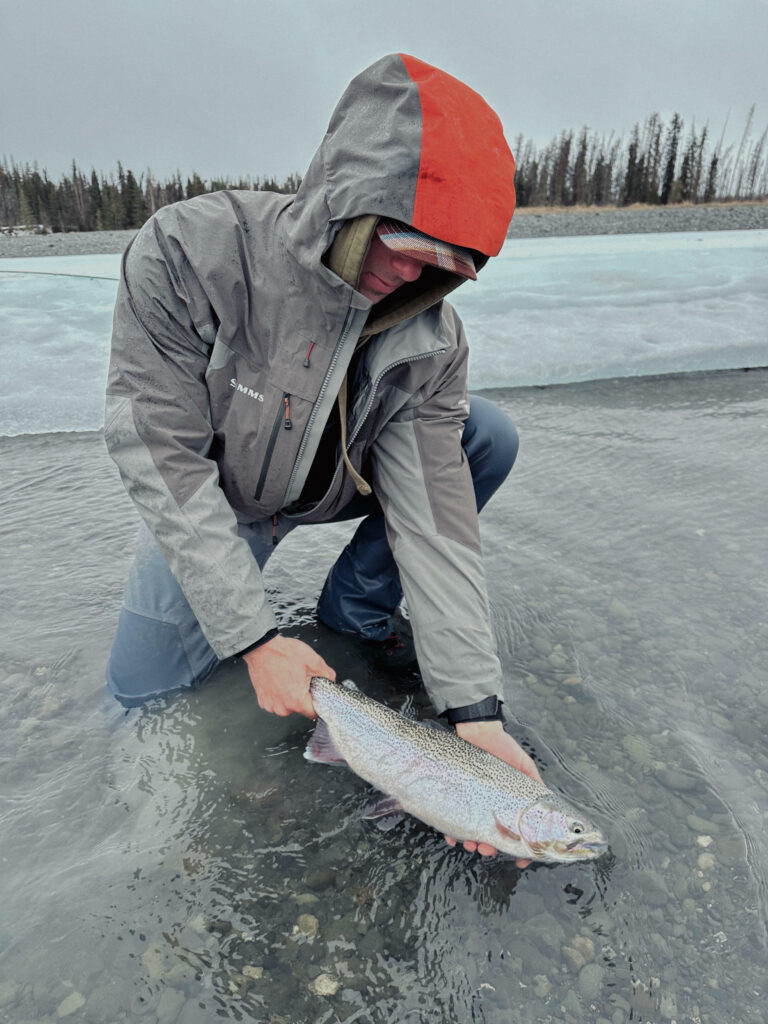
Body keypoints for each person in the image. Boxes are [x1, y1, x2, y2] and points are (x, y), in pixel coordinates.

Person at [104, 53, 542, 860]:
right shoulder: (187, 252)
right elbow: (158, 453)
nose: (412, 275)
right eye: (405, 243)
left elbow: (436, 518)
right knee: (140, 697)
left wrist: (473, 710)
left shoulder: (431, 341)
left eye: (445, 267)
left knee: (485, 435)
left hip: (338, 480)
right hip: (220, 497)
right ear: (348, 193)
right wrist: (254, 642)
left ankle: (354, 610)